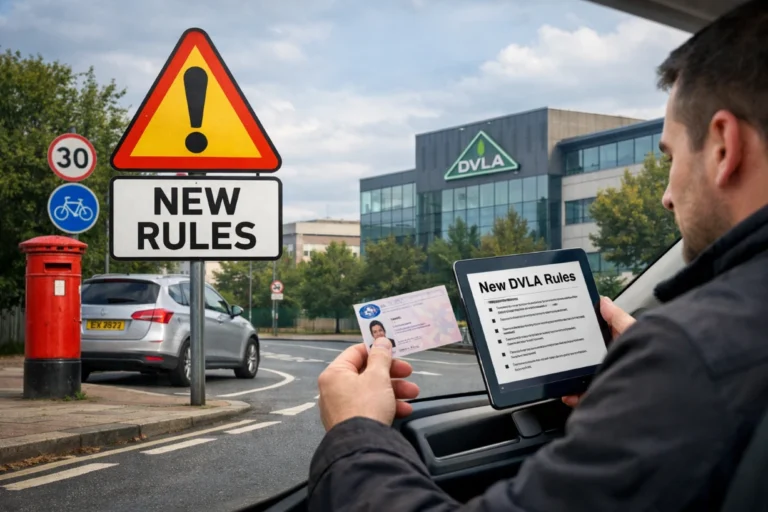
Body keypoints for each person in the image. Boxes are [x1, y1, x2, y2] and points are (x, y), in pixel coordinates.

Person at [309, 1, 768, 510]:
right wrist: (639, 397)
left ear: (724, 146)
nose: (666, 193)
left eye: (671, 157)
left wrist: (354, 433)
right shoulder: (709, 359)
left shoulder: (693, 355)